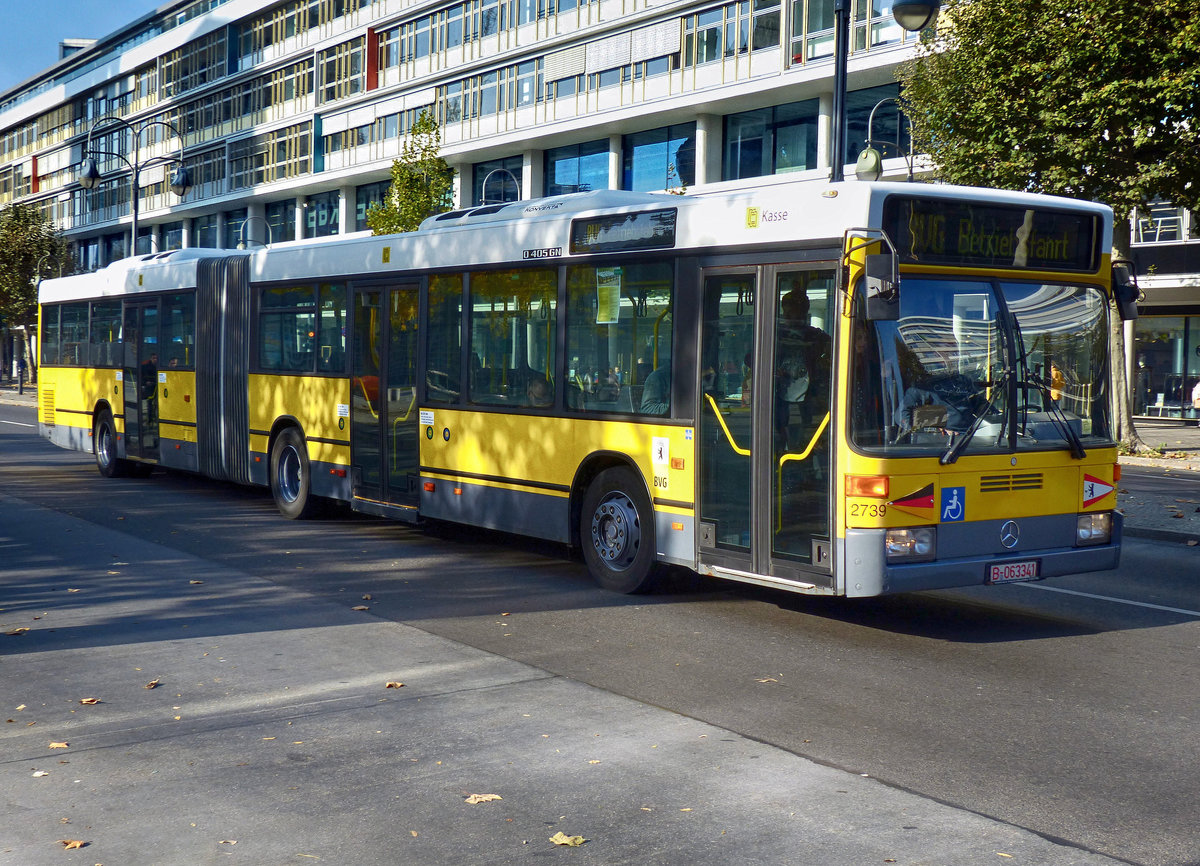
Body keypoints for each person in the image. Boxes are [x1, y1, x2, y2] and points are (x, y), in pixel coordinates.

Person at [774, 288, 831, 449]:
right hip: (779, 397)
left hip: (807, 399)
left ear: (804, 314)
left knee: (805, 441)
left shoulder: (815, 336)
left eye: (795, 314)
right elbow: (750, 358)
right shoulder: (774, 335)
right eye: (787, 313)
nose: (790, 318)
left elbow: (836, 351)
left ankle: (801, 467)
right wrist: (771, 369)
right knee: (778, 439)